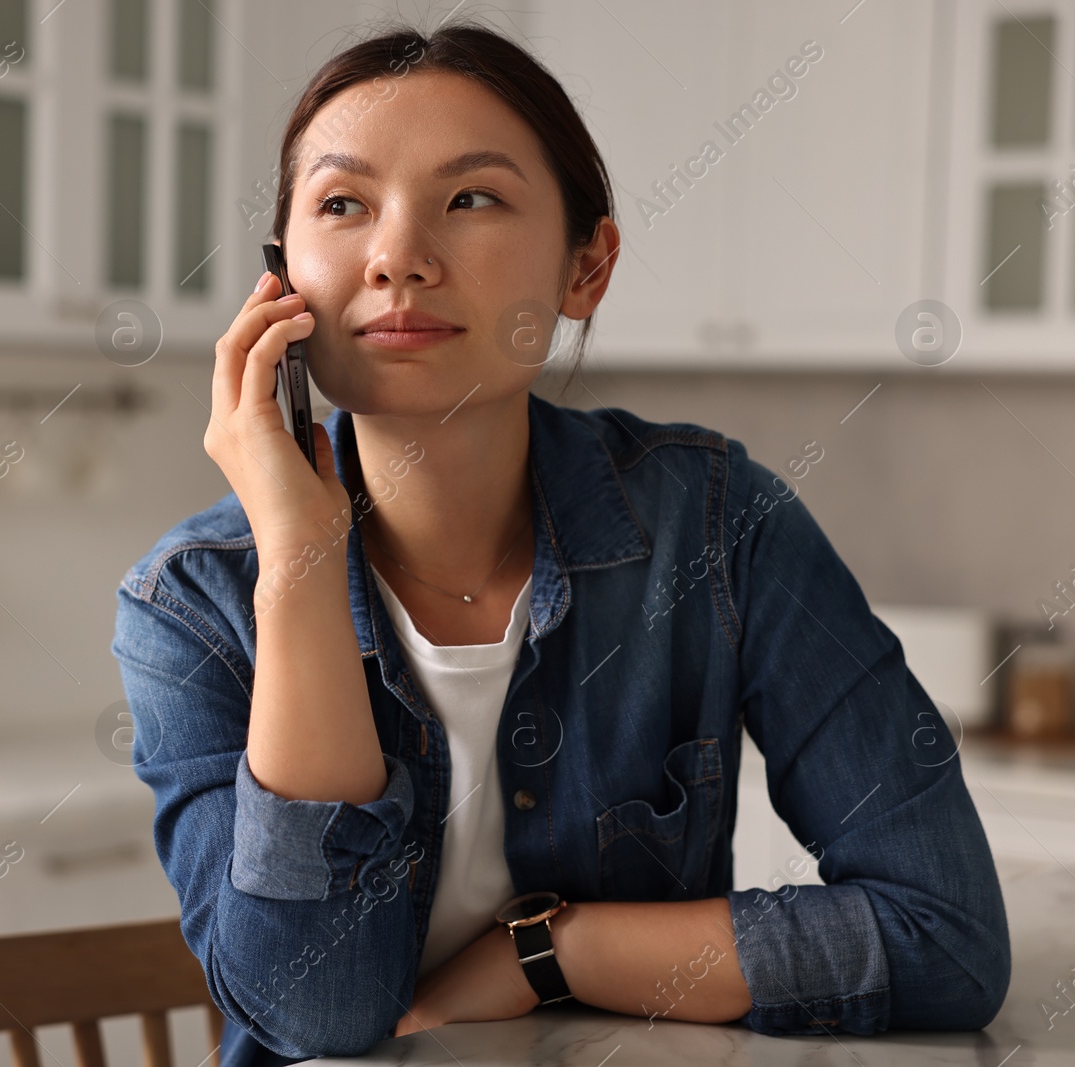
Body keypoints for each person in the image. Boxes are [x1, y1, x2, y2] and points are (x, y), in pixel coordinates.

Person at [111, 19, 1010, 1067]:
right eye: (342, 204)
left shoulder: (719, 526)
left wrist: (546, 951)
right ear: (281, 284)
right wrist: (302, 561)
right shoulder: (189, 601)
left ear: (585, 268)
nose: (398, 255)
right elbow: (318, 1013)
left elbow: (944, 936)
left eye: (472, 198)